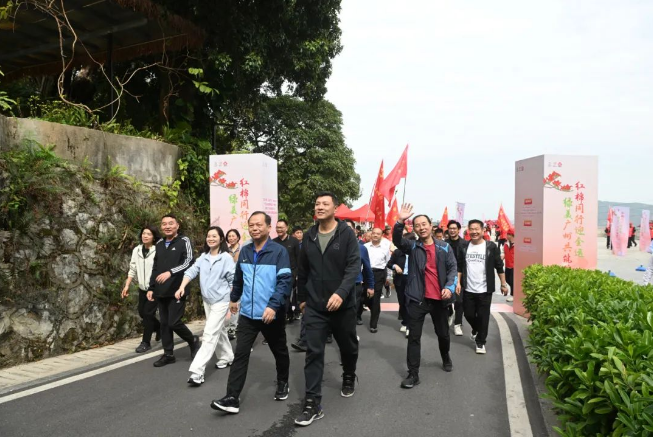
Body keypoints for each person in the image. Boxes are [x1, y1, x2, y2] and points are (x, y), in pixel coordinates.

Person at [211, 212, 292, 414]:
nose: (255, 228)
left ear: (268, 227)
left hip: (270, 314)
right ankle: (232, 397)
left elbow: (284, 282)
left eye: (259, 225)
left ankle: (283, 382)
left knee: (279, 351)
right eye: (251, 225)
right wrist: (234, 299)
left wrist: (273, 306)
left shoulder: (279, 252)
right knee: (240, 354)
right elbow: (239, 279)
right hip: (248, 313)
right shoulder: (245, 251)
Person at [295, 191, 360, 427]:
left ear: (335, 208)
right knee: (313, 352)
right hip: (315, 306)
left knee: (348, 347)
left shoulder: (346, 234)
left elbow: (353, 267)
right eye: (317, 204)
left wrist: (341, 293)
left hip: (342, 306)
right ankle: (312, 403)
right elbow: (303, 270)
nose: (320, 207)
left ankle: (349, 374)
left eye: (325, 204)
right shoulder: (309, 236)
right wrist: (302, 299)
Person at [393, 204, 458, 389]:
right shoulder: (412, 246)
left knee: (443, 334)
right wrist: (400, 221)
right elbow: (397, 240)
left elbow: (453, 269)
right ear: (414, 229)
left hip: (439, 300)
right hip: (417, 299)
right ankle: (413, 374)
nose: (421, 228)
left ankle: (445, 356)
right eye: (417, 225)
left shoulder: (444, 247)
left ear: (431, 226)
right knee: (414, 337)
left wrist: (449, 287)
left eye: (424, 224)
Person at [175, 227, 235, 385]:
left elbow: (232, 280)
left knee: (209, 334)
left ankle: (197, 372)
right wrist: (182, 287)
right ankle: (227, 356)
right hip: (208, 301)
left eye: (214, 236)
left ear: (221, 239)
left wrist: (232, 302)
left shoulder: (226, 258)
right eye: (209, 236)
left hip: (221, 301)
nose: (211, 239)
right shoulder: (203, 257)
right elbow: (191, 271)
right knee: (218, 330)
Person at [147, 214, 199, 367]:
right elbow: (156, 267)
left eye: (171, 223)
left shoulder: (184, 241)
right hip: (161, 290)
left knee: (174, 322)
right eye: (164, 224)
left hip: (177, 288)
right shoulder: (159, 243)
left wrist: (171, 272)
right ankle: (168, 354)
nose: (167, 226)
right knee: (164, 324)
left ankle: (192, 340)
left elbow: (189, 261)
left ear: (177, 225)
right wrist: (151, 287)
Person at [457, 220, 508, 355]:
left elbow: (499, 266)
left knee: (483, 316)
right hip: (468, 288)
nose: (474, 232)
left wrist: (503, 284)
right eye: (471, 229)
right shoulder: (464, 247)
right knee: (468, 314)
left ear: (483, 230)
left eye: (477, 229)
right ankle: (476, 329)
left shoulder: (490, 247)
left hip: (485, 289)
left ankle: (480, 342)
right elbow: (459, 266)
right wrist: (458, 283)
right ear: (468, 230)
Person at [121, 226, 161, 353]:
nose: (145, 236)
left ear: (154, 237)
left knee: (148, 314)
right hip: (142, 288)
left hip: (154, 288)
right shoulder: (137, 250)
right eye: (144, 233)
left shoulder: (158, 250)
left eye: (149, 234)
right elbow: (132, 268)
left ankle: (146, 342)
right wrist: (127, 285)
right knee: (142, 313)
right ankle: (159, 327)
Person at [344, 219, 374, 327]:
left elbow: (367, 268)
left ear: (355, 231)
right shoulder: (334, 247)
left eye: (349, 228)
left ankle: (351, 329)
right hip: (337, 283)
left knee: (353, 310)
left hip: (355, 284)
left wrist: (370, 286)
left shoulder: (362, 249)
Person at [273, 220, 301, 323]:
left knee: (287, 293)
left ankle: (285, 315)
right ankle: (287, 312)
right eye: (277, 227)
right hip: (277, 273)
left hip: (291, 273)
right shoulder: (273, 242)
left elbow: (298, 258)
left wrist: (297, 273)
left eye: (281, 227)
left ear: (286, 228)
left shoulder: (294, 241)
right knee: (281, 294)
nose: (279, 229)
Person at [364, 227, 391, 333]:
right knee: (364, 298)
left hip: (379, 274)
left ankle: (373, 324)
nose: (375, 235)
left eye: (378, 234)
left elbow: (388, 263)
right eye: (373, 233)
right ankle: (373, 309)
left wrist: (388, 277)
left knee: (375, 298)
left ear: (381, 236)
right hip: (365, 273)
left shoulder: (385, 248)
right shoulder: (365, 247)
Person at [387, 232, 412, 334]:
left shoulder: (416, 252)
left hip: (412, 280)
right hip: (400, 280)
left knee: (410, 302)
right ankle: (405, 322)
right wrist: (395, 266)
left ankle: (410, 326)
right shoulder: (398, 252)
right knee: (402, 302)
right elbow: (389, 263)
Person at [445, 220, 465, 336]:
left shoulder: (465, 244)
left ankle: (458, 324)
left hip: (461, 276)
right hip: (446, 276)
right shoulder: (444, 244)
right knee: (446, 299)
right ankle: (450, 313)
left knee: (459, 301)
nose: (452, 230)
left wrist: (459, 281)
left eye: (454, 228)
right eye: (450, 228)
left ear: (458, 230)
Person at [225, 229, 241, 340]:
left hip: (241, 280)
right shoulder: (225, 251)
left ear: (238, 237)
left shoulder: (243, 249)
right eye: (229, 236)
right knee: (232, 302)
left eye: (233, 236)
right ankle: (231, 327)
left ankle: (233, 327)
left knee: (237, 303)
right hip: (228, 280)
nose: (231, 238)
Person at [503, 229, 515, 303]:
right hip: (507, 265)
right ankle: (516, 290)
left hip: (514, 266)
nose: (507, 236)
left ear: (512, 235)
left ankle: (513, 295)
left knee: (512, 281)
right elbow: (504, 253)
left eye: (508, 234)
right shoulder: (506, 244)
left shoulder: (517, 244)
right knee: (507, 279)